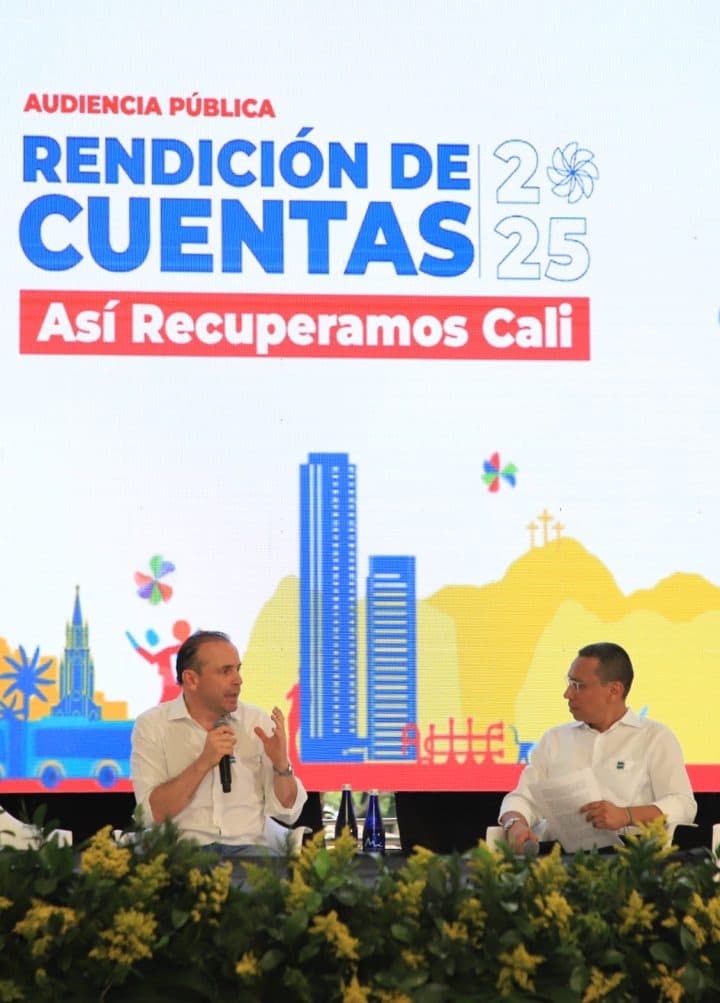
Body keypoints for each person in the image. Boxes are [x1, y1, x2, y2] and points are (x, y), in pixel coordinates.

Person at [499, 642, 696, 853]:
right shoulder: (554, 739)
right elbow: (521, 798)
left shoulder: (655, 737)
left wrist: (626, 815)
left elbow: (683, 805)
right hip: (557, 860)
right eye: (569, 683)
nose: (567, 694)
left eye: (578, 685)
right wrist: (515, 824)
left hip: (629, 858)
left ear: (614, 690)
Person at [131, 629, 307, 855]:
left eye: (237, 669)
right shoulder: (153, 725)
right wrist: (203, 762)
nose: (238, 680)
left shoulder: (257, 722)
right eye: (225, 671)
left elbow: (288, 812)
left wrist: (281, 765)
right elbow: (149, 814)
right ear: (191, 680)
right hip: (182, 853)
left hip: (249, 852)